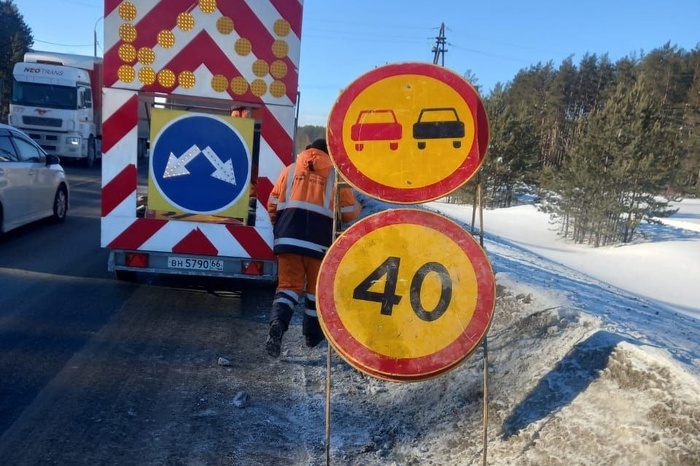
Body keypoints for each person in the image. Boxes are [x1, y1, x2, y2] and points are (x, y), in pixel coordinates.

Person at [265, 138, 362, 357]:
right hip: (319, 243)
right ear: (329, 154)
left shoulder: (289, 171)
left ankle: (278, 324)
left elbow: (272, 203)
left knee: (288, 288)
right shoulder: (334, 176)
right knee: (315, 292)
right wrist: (359, 204)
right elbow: (349, 213)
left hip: (288, 239)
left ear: (308, 150)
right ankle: (311, 335)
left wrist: (279, 229)